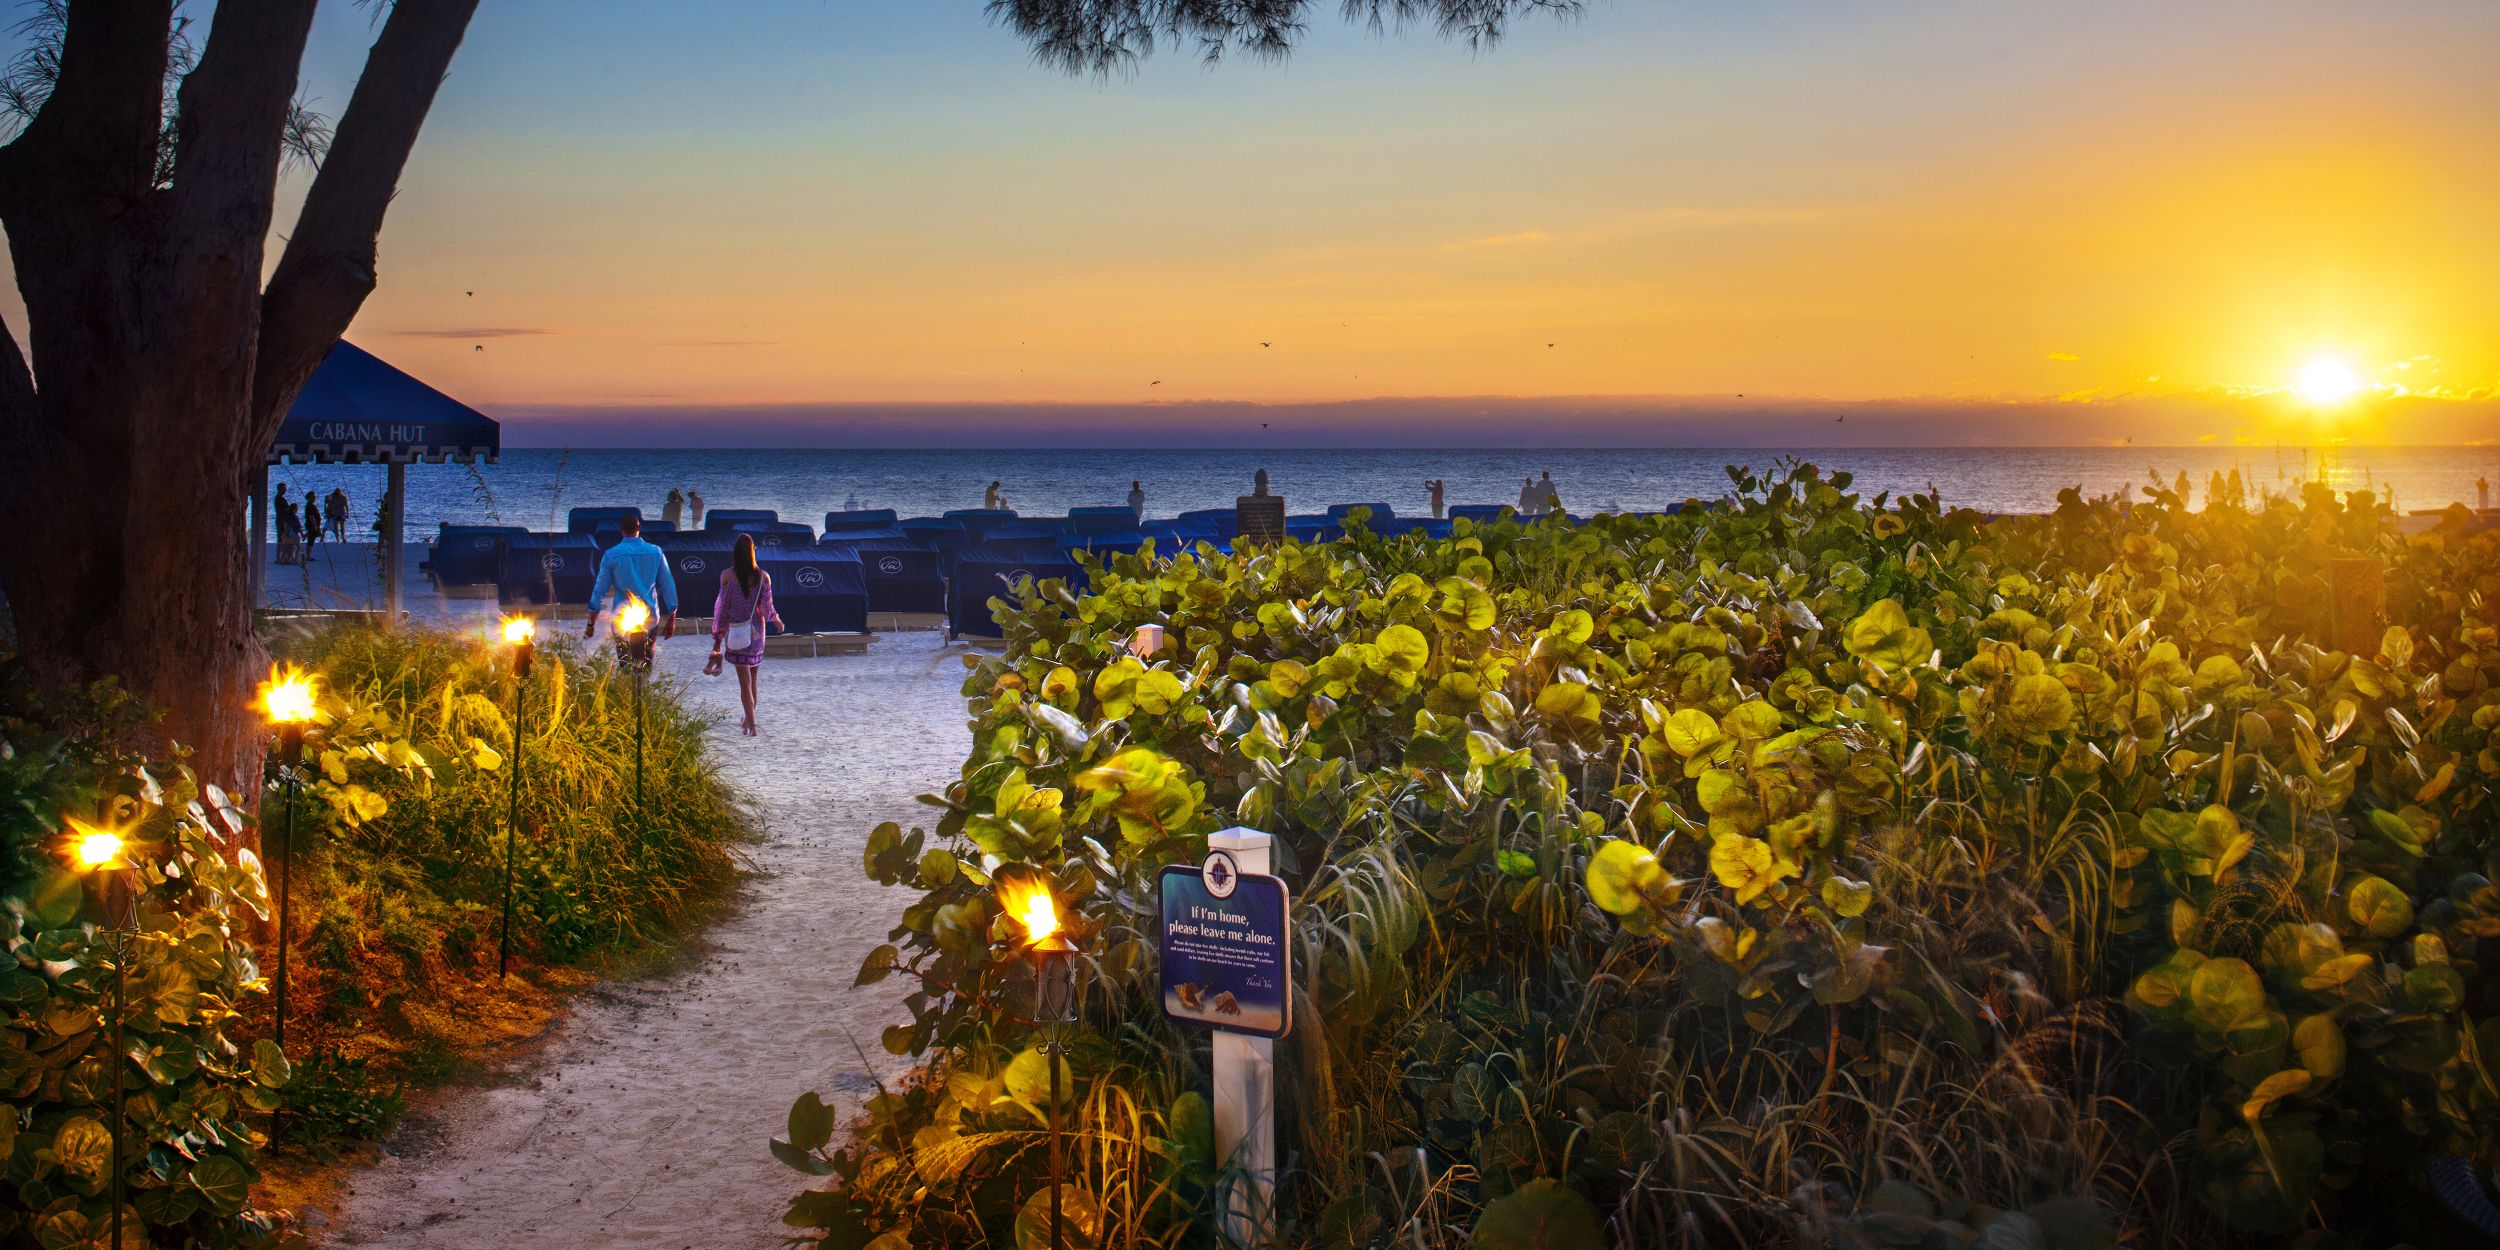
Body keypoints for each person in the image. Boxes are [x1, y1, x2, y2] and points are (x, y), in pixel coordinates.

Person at [709, 533, 783, 736]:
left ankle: (751, 723)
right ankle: (747, 720)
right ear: (752, 553)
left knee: (744, 683)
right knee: (754, 679)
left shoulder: (727, 576)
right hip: (757, 635)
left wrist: (718, 635)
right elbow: (767, 609)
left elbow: (722, 609)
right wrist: (777, 620)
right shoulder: (763, 576)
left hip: (737, 634)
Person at [583, 514, 679, 650]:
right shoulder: (656, 551)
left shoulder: (611, 554)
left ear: (621, 530)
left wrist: (591, 622)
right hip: (649, 616)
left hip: (621, 617)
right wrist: (672, 615)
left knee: (625, 662)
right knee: (646, 661)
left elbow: (600, 589)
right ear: (639, 527)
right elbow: (667, 584)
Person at [275, 493, 300, 565]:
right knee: (290, 546)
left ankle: (286, 559)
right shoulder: (291, 517)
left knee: (287, 547)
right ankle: (291, 560)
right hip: (292, 533)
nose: (297, 510)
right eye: (296, 509)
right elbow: (287, 526)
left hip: (292, 533)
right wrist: (286, 533)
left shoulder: (291, 516)